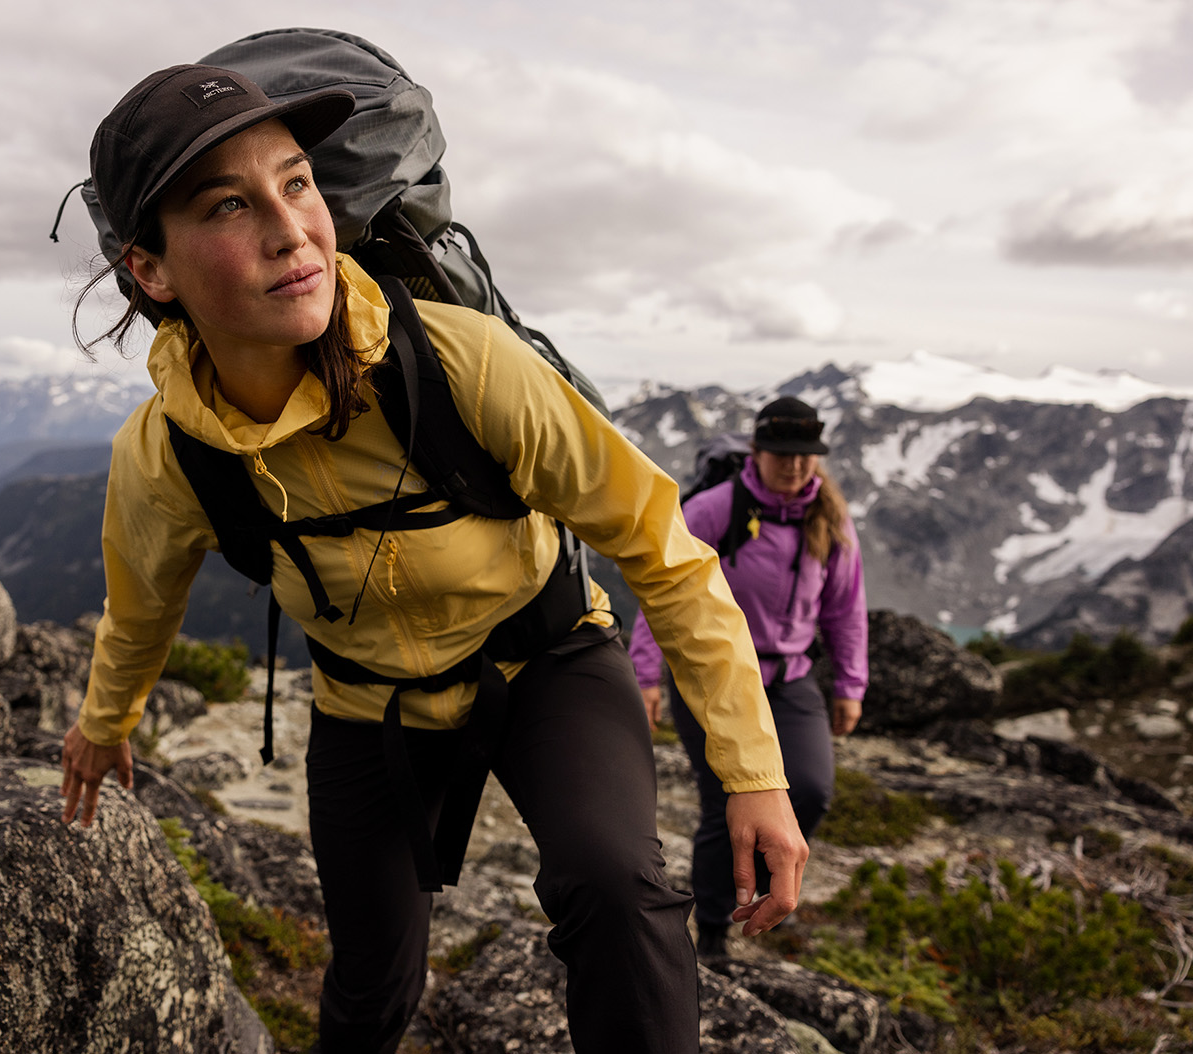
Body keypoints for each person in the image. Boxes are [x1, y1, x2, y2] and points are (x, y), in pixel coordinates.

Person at [58, 62, 808, 1054]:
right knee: (372, 983)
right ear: (150, 269)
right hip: (369, 707)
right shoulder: (166, 457)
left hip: (546, 663)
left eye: (296, 182)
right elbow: (143, 601)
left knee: (616, 889)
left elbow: (662, 551)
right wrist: (104, 721)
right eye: (230, 205)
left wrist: (753, 774)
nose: (291, 231)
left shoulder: (463, 363)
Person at [628, 396, 867, 959]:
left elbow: (845, 607)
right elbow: (661, 588)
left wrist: (850, 685)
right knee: (725, 802)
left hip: (790, 677)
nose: (794, 465)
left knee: (808, 788)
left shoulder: (827, 517)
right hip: (713, 680)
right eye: (782, 453)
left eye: (805, 455)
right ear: (756, 453)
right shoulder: (714, 509)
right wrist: (647, 673)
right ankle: (711, 929)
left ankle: (756, 876)